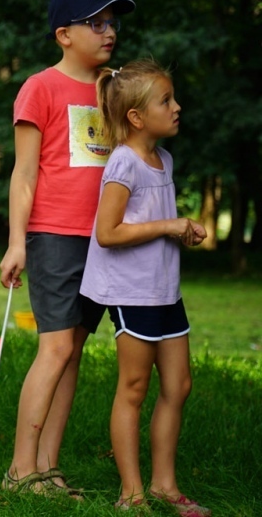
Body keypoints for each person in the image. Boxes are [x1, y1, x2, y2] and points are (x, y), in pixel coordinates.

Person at [0, 0, 135, 495]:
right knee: (55, 348)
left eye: (112, 22)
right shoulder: (41, 88)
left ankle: (47, 467)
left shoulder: (115, 91)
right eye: (96, 23)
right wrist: (17, 242)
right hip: (54, 234)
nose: (109, 31)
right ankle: (19, 469)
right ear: (64, 34)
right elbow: (24, 174)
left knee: (74, 350)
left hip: (106, 238)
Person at [80, 60, 210, 515]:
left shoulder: (164, 159)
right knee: (133, 387)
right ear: (136, 117)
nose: (177, 107)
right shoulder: (123, 161)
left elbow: (152, 225)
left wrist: (180, 231)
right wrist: (168, 225)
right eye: (166, 101)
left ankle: (164, 486)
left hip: (165, 292)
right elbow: (108, 232)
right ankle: (131, 493)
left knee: (179, 385)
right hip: (132, 294)